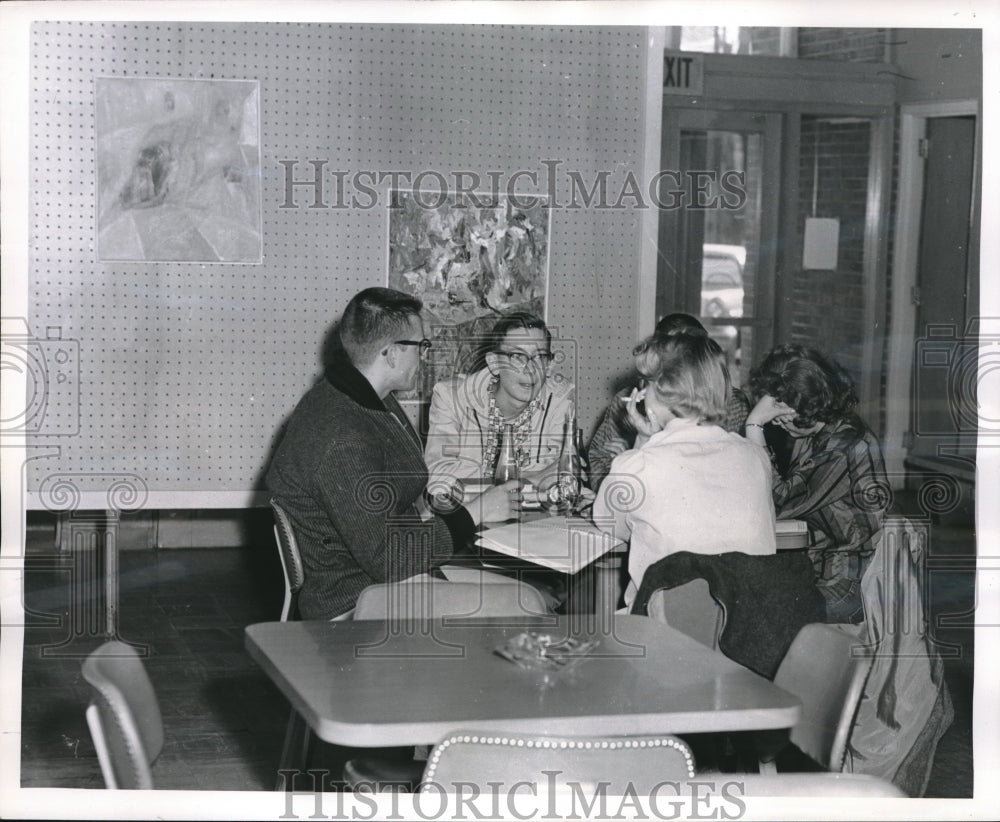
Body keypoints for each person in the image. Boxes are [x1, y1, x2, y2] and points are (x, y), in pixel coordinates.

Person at [266, 287, 517, 620]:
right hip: (354, 600)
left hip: (383, 577)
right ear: (393, 353)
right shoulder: (342, 436)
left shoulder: (363, 396)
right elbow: (389, 559)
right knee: (526, 604)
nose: (424, 356)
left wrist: (434, 508)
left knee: (527, 595)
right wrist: (475, 512)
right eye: (421, 346)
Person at [593, 330, 776, 608]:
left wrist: (641, 441)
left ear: (658, 393)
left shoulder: (637, 465)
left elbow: (610, 528)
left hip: (664, 630)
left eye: (647, 383)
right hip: (746, 629)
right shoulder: (755, 457)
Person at [744, 344, 888, 623]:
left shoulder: (844, 446)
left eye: (780, 407)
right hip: (815, 566)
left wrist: (753, 425)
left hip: (849, 584)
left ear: (806, 402)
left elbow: (777, 502)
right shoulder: (817, 434)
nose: (776, 418)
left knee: (762, 615)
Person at [587, 313, 750, 489]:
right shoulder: (627, 400)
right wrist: (619, 465)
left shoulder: (733, 402)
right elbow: (598, 461)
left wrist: (633, 456)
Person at [424, 312, 575, 500]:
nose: (530, 369)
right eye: (518, 356)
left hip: (532, 521)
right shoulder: (451, 398)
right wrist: (532, 479)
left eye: (540, 357)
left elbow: (562, 478)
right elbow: (438, 477)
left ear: (550, 365)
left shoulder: (560, 403)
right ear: (494, 363)